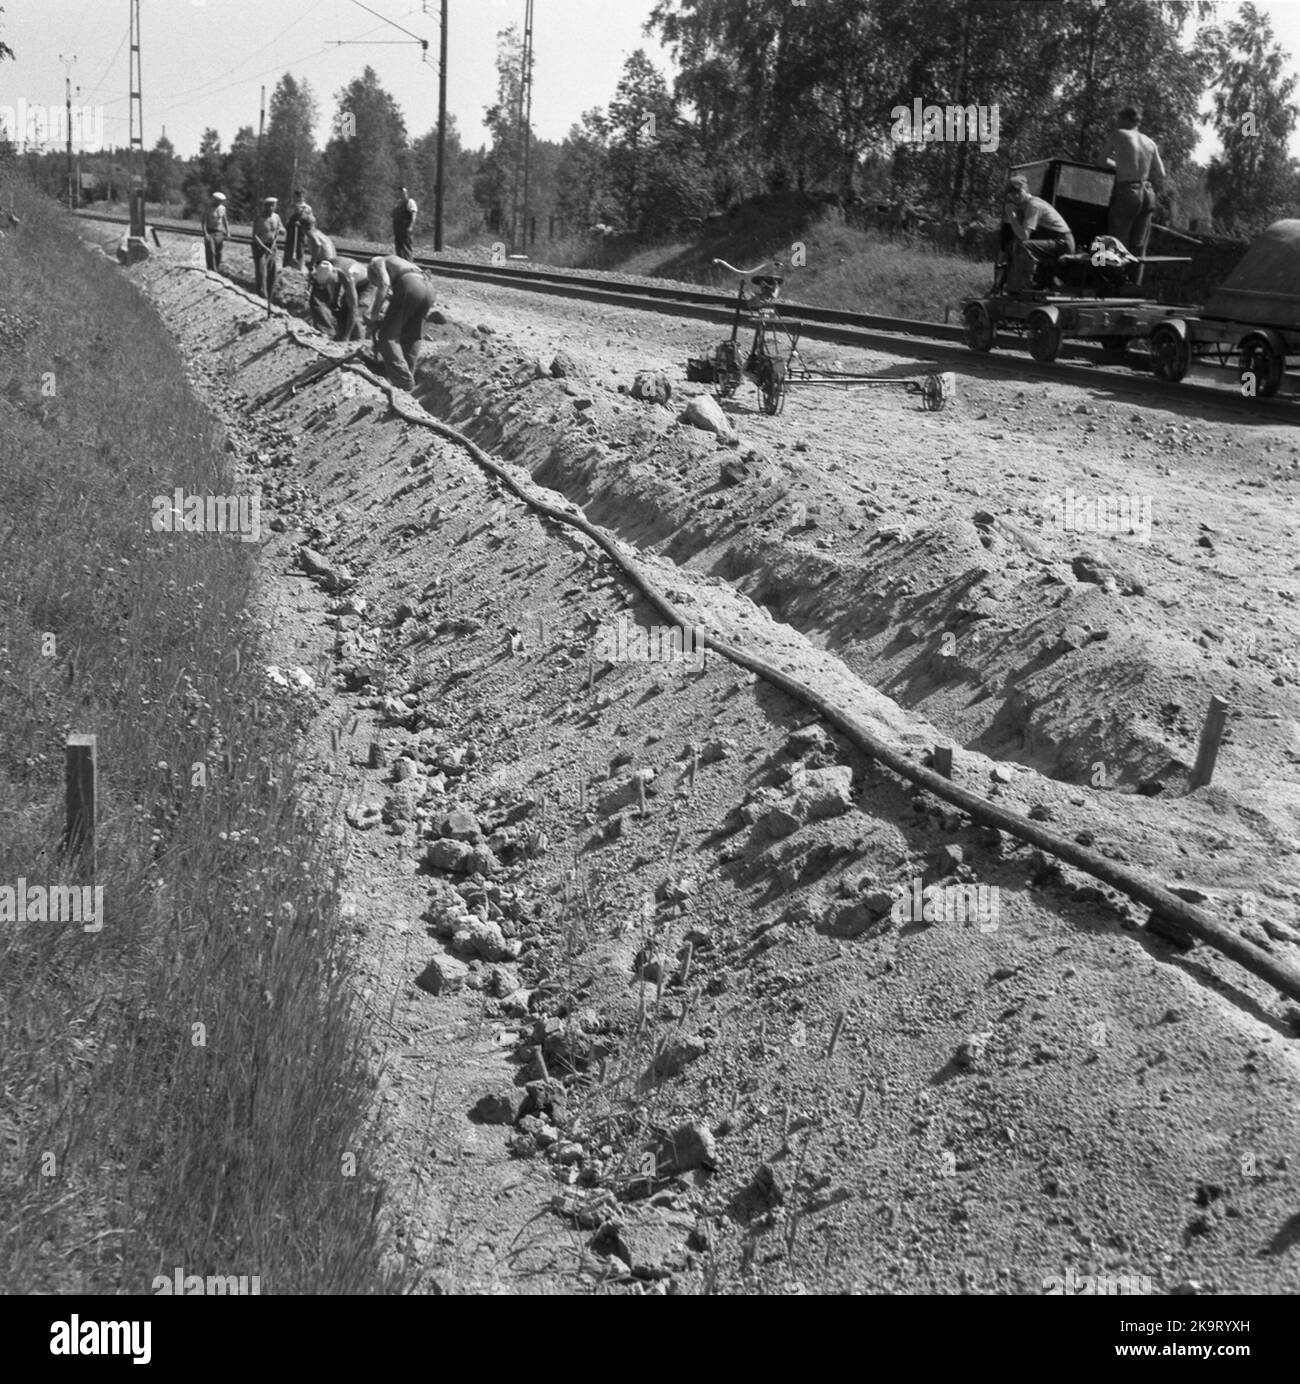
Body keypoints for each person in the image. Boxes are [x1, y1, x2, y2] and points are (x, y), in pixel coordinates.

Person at [1103, 105, 1166, 284]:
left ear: (1127, 120)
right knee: (1139, 244)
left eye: (1119, 119)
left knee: (1117, 240)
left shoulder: (1118, 135)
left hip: (1127, 191)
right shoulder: (1150, 142)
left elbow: (1100, 161)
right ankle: (1134, 285)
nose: (1117, 123)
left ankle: (1115, 284)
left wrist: (1120, 167)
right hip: (1148, 192)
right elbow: (1161, 173)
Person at [365, 255, 434, 391]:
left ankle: (403, 382)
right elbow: (397, 297)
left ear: (372, 272)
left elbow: (384, 284)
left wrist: (373, 315)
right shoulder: (400, 264)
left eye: (374, 282)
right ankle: (407, 377)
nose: (376, 285)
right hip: (428, 289)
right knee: (412, 335)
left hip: (410, 285)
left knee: (387, 337)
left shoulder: (377, 262)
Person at [1002, 175, 1075, 292]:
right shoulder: (1023, 206)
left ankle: (1022, 288)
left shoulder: (1033, 205)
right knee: (1013, 245)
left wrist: (1010, 214)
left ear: (1025, 189)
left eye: (1018, 191)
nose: (1015, 195)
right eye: (1011, 193)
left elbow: (1024, 236)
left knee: (1024, 246)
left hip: (1063, 243)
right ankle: (1013, 285)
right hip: (1054, 242)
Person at [311, 257, 372, 341]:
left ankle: (358, 341)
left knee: (357, 312)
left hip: (367, 284)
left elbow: (353, 310)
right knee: (320, 299)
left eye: (329, 282)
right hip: (345, 275)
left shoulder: (349, 277)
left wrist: (346, 337)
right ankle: (327, 332)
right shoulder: (326, 264)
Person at [251, 196, 284, 302]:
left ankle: (270, 295)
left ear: (275, 207)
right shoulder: (259, 218)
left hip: (272, 246)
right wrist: (264, 248)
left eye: (273, 206)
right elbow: (255, 236)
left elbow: (281, 228)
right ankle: (261, 295)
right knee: (261, 272)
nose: (271, 208)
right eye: (268, 206)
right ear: (264, 206)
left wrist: (282, 230)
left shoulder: (276, 217)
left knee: (272, 270)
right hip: (260, 247)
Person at [285, 189, 313, 269]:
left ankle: (299, 267)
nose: (300, 198)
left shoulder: (308, 208)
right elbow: (287, 218)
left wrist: (304, 224)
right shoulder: (292, 206)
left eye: (301, 196)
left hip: (302, 230)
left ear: (304, 197)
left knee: (300, 248)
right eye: (298, 196)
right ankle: (287, 265)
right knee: (289, 247)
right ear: (295, 197)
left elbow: (310, 220)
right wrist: (292, 222)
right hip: (291, 230)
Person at [202, 191, 229, 272]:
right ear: (215, 200)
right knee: (211, 252)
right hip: (210, 232)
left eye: (221, 201)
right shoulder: (208, 208)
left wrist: (228, 232)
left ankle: (216, 269)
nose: (219, 203)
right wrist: (205, 234)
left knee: (218, 253)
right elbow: (203, 222)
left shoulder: (223, 208)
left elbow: (225, 221)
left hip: (219, 233)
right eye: (218, 201)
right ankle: (211, 270)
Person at [392, 185, 418, 259]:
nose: (401, 194)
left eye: (403, 192)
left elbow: (414, 215)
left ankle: (409, 263)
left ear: (406, 192)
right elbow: (393, 214)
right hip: (398, 230)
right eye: (399, 192)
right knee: (399, 248)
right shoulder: (398, 203)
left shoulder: (410, 202)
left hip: (405, 229)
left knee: (406, 247)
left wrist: (411, 226)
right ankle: (401, 263)